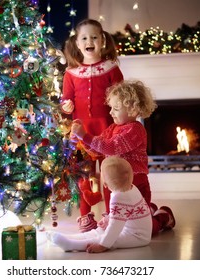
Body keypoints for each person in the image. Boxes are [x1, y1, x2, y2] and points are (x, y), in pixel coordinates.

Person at [71, 80, 175, 235]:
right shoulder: (113, 128)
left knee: (143, 229)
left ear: (133, 110)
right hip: (113, 182)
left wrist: (84, 135)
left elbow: (111, 147)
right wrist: (80, 139)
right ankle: (148, 209)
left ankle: (163, 216)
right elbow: (96, 151)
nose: (111, 112)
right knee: (115, 222)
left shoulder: (135, 130)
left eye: (116, 108)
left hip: (135, 182)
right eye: (111, 108)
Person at [60, 18, 124, 230]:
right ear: (77, 43)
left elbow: (121, 98)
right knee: (82, 175)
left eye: (94, 37)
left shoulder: (111, 68)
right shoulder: (71, 72)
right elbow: (65, 99)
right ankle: (85, 216)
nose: (90, 41)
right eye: (85, 38)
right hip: (80, 134)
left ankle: (110, 214)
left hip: (107, 133)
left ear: (102, 40)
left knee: (109, 174)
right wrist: (66, 106)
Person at [46, 156, 152, 253]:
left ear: (105, 184)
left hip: (138, 236)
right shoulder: (130, 187)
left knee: (108, 238)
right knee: (100, 230)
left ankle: (71, 244)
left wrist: (103, 245)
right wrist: (107, 219)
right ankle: (71, 237)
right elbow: (124, 212)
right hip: (132, 230)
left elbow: (115, 227)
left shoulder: (118, 197)